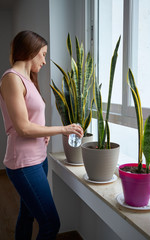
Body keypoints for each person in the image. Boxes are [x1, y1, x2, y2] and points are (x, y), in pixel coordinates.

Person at [0, 30, 83, 240]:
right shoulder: (12, 78)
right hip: (23, 164)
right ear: (31, 50)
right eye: (43, 54)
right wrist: (63, 129)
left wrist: (43, 134)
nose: (45, 61)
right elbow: (23, 128)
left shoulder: (28, 80)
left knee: (26, 216)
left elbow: (32, 122)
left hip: (39, 159)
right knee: (51, 223)